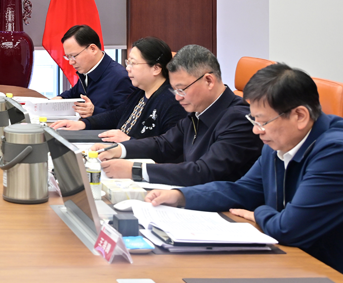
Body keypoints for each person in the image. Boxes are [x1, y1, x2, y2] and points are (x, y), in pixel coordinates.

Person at [146, 64, 343, 282]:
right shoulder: (278, 142)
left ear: (300, 116)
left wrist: (259, 212)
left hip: (338, 279)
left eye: (263, 122)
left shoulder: (338, 153)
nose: (257, 130)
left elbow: (288, 229)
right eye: (254, 120)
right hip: (293, 264)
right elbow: (243, 189)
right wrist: (181, 196)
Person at [93, 44, 262, 186]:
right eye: (175, 90)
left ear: (208, 81)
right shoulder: (198, 111)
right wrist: (119, 149)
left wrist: (135, 170)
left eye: (182, 89)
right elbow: (164, 144)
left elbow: (204, 171)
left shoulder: (239, 119)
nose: (177, 97)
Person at [51, 37, 184, 142]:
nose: (128, 68)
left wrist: (129, 141)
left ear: (156, 68)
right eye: (128, 62)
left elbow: (169, 146)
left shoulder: (172, 101)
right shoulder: (140, 93)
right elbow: (116, 115)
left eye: (133, 63)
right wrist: (83, 124)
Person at [53, 25, 135, 118]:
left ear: (93, 49)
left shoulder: (120, 78)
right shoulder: (88, 71)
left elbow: (126, 118)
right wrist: (60, 98)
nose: (71, 62)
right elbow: (74, 93)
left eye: (74, 56)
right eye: (68, 57)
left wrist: (94, 111)